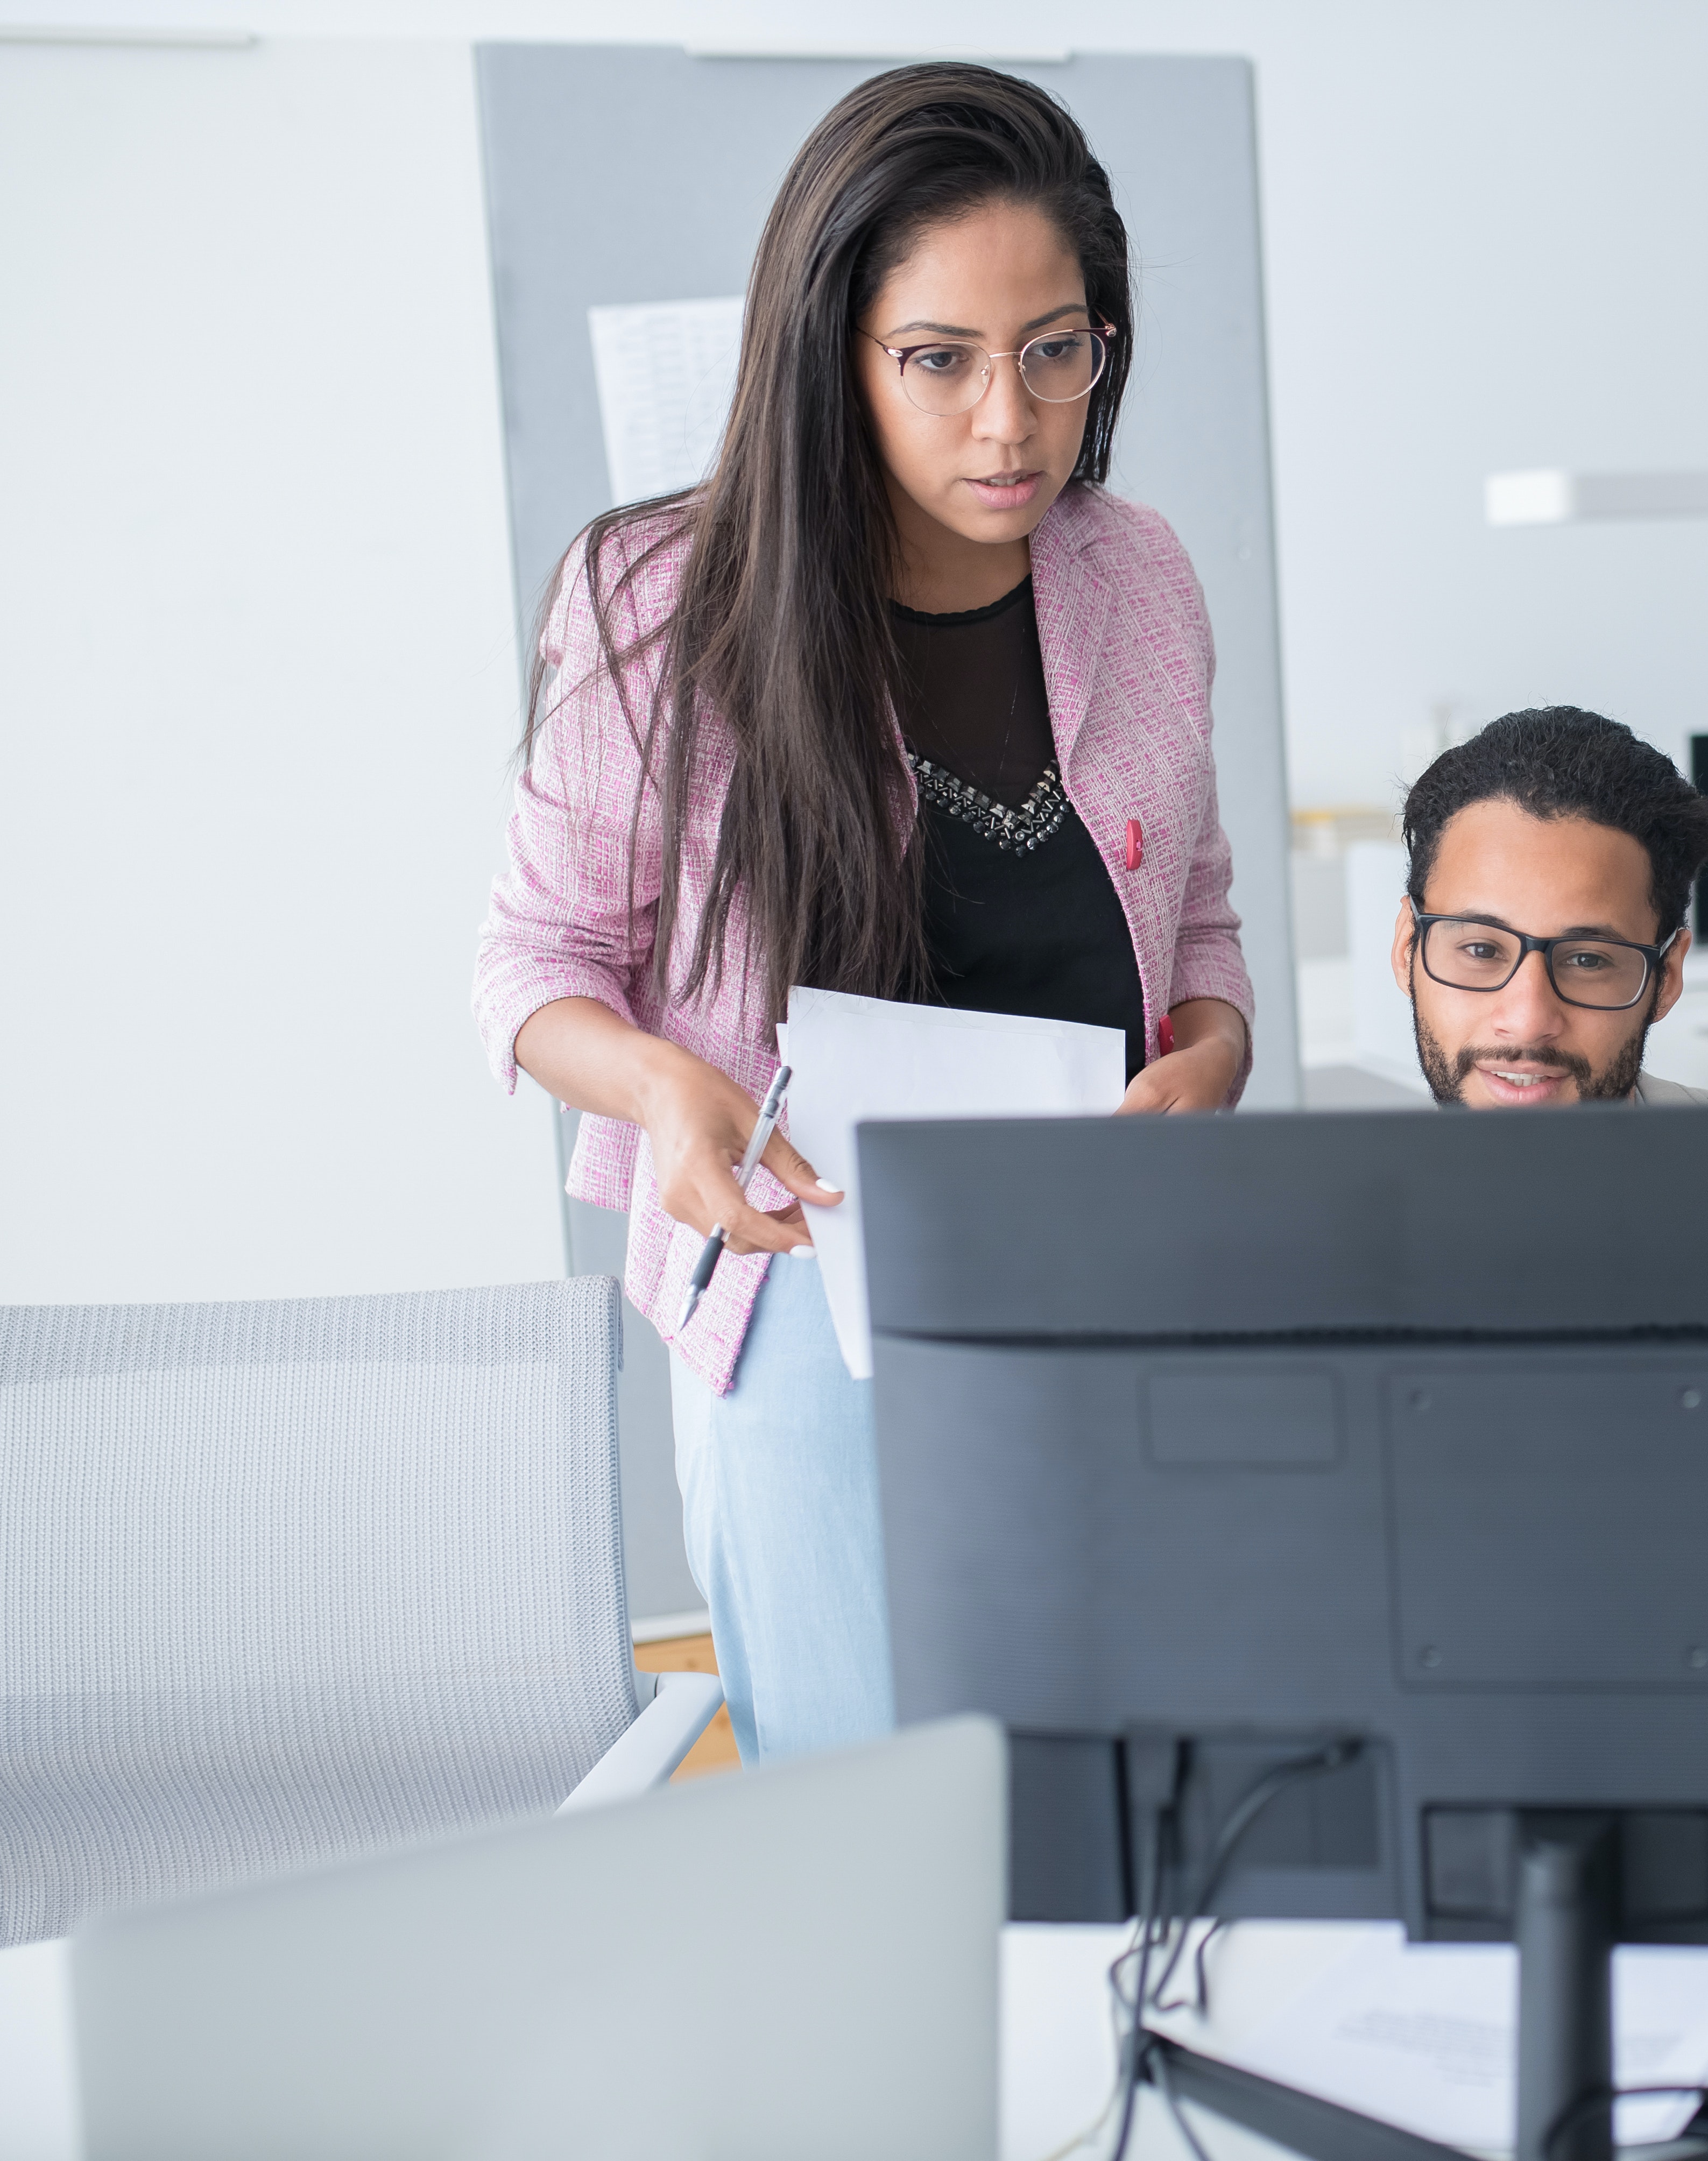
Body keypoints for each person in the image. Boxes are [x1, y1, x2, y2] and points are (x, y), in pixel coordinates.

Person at [472, 66, 1253, 1764]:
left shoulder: (1141, 572)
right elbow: (533, 970)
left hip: (1103, 1287)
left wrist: (1216, 1051)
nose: (1010, 422)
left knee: (1143, 1808)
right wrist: (667, 1095)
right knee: (877, 1823)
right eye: (941, 360)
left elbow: (1194, 916)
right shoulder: (660, 600)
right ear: (835, 353)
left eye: (1059, 350)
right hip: (806, 1312)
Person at [1391, 707, 1708, 1107]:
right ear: (1407, 949)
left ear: (1667, 979)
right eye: (1482, 950)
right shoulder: (1318, 1170)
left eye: (1587, 960)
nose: (1527, 1024)